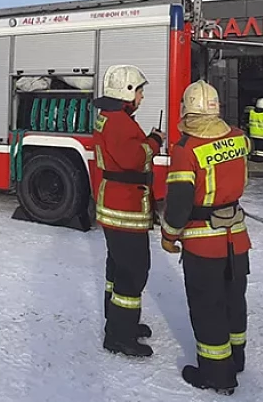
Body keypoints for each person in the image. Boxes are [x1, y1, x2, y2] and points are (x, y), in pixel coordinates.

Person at [160, 79, 251, 396]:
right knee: (233, 301)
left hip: (203, 243)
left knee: (207, 306)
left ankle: (216, 374)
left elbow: (179, 203)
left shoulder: (185, 150)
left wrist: (169, 236)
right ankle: (235, 359)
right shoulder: (239, 138)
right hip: (237, 238)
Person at [93, 64, 164, 357]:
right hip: (125, 209)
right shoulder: (120, 123)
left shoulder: (111, 118)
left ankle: (120, 323)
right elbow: (134, 158)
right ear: (127, 93)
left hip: (116, 205)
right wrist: (154, 142)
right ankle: (120, 337)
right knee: (132, 272)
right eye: (140, 91)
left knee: (118, 269)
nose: (142, 98)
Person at [248, 98, 263, 162]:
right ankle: (260, 159)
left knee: (255, 148)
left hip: (253, 134)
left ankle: (254, 157)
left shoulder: (251, 113)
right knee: (261, 149)